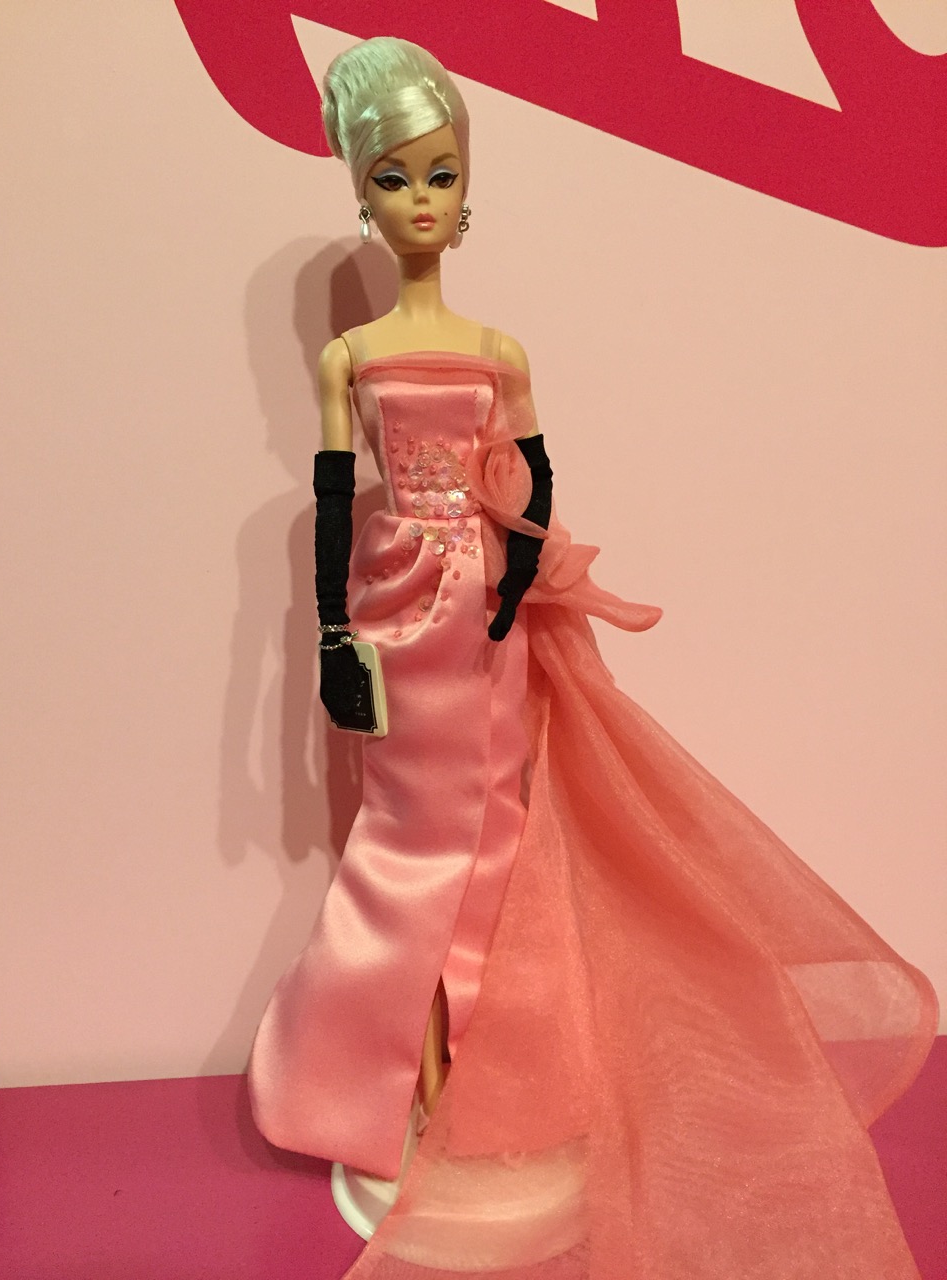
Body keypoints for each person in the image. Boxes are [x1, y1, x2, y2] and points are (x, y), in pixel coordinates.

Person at [248, 37, 937, 1279]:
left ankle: (496, 1090)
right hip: (395, 625)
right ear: (360, 190)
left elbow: (539, 473)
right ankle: (406, 1087)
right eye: (395, 178)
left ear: (467, 185)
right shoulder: (351, 358)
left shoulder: (499, 351)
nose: (421, 201)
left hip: (483, 629)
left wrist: (514, 588)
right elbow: (338, 501)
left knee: (502, 850)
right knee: (401, 848)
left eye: (441, 174)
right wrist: (337, 636)